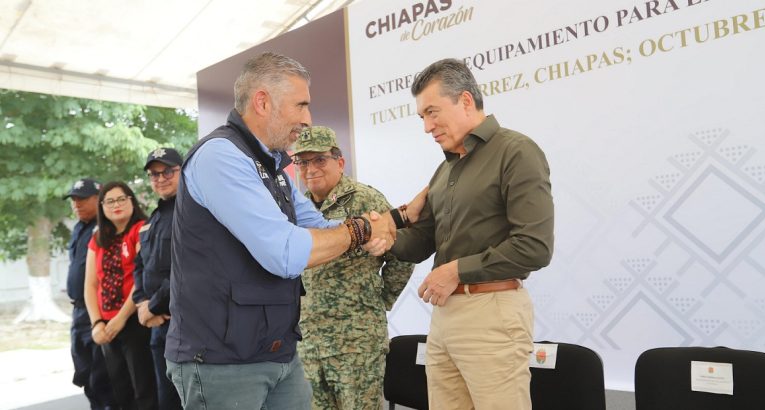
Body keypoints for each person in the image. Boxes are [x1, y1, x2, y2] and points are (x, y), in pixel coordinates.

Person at [165, 52, 393, 410]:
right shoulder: (219, 157)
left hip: (277, 353)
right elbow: (285, 253)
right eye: (301, 105)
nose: (307, 119)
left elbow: (321, 227)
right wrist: (362, 229)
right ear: (262, 101)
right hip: (222, 362)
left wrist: (391, 221)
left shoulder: (271, 168)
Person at [387, 58, 555, 409]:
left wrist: (456, 270)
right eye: (422, 117)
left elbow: (534, 248)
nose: (427, 127)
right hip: (446, 314)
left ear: (465, 100)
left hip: (492, 312)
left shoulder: (516, 151)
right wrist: (384, 240)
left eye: (432, 113)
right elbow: (422, 242)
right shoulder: (444, 169)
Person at [293, 126, 415, 410]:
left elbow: (403, 251)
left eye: (319, 160)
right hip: (310, 343)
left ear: (339, 161)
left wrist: (381, 298)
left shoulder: (364, 199)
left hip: (355, 342)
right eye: (303, 162)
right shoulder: (297, 208)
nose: (310, 169)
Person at [85, 181, 158, 410]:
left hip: (134, 321)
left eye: (121, 199)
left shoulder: (141, 229)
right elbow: (90, 284)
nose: (116, 205)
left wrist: (121, 318)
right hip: (106, 326)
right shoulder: (97, 239)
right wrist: (97, 322)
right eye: (109, 201)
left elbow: (141, 277)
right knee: (119, 391)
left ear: (131, 201)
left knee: (144, 391)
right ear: (102, 207)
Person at [132, 148, 183, 410]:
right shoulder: (154, 217)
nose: (160, 178)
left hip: (184, 325)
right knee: (166, 402)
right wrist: (141, 302)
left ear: (182, 171)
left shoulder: (191, 212)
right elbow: (140, 264)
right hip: (157, 326)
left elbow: (184, 269)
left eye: (167, 172)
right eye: (154, 174)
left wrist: (153, 307)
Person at [64, 178, 118, 409]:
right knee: (85, 375)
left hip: (99, 311)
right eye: (73, 200)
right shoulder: (79, 228)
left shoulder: (106, 227)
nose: (76, 204)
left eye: (82, 199)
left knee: (102, 378)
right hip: (78, 311)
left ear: (99, 199)